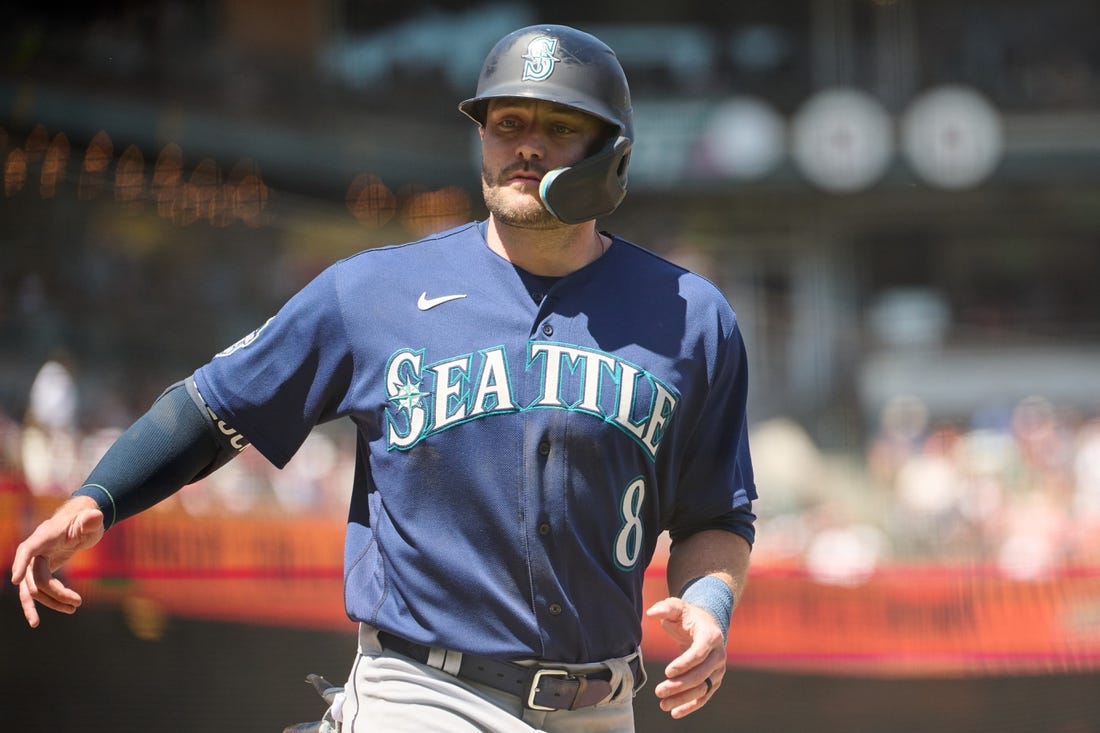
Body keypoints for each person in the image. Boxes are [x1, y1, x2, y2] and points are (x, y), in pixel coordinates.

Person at [11, 24, 756, 732]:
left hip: (602, 703)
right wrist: (98, 496)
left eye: (559, 127)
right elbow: (217, 404)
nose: (526, 146)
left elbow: (716, 514)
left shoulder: (691, 318)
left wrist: (711, 601)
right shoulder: (373, 293)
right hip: (426, 691)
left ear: (612, 152)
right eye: (506, 123)